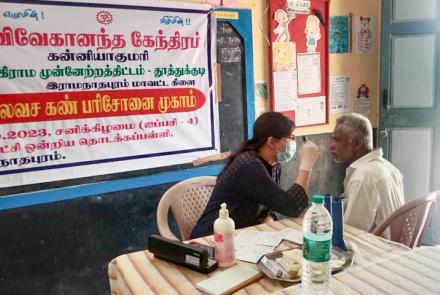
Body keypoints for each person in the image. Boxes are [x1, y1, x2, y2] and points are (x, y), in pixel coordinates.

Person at [190, 112, 319, 239]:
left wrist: (269, 219)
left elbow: (274, 203)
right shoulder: (248, 166)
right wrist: (306, 165)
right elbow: (292, 207)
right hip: (213, 239)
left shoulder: (273, 164)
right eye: (290, 138)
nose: (292, 143)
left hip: (244, 235)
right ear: (272, 142)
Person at [329, 113, 404, 235]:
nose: (331, 146)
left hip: (377, 250)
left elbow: (352, 233)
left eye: (337, 140)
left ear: (357, 143)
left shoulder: (363, 177)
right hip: (395, 245)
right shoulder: (388, 167)